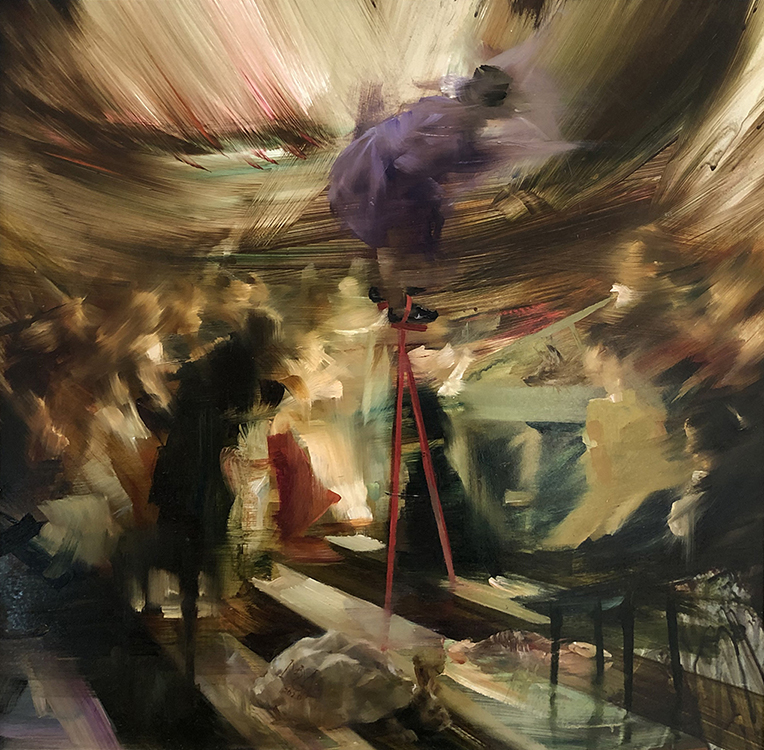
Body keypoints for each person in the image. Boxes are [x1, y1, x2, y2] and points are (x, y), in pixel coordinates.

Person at [329, 36, 570, 322]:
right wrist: (404, 209)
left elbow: (423, 151)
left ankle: (387, 285)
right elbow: (407, 168)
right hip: (376, 176)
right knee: (393, 240)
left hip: (375, 165)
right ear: (489, 109)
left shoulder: (448, 110)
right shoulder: (451, 135)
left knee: (417, 218)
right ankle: (398, 308)